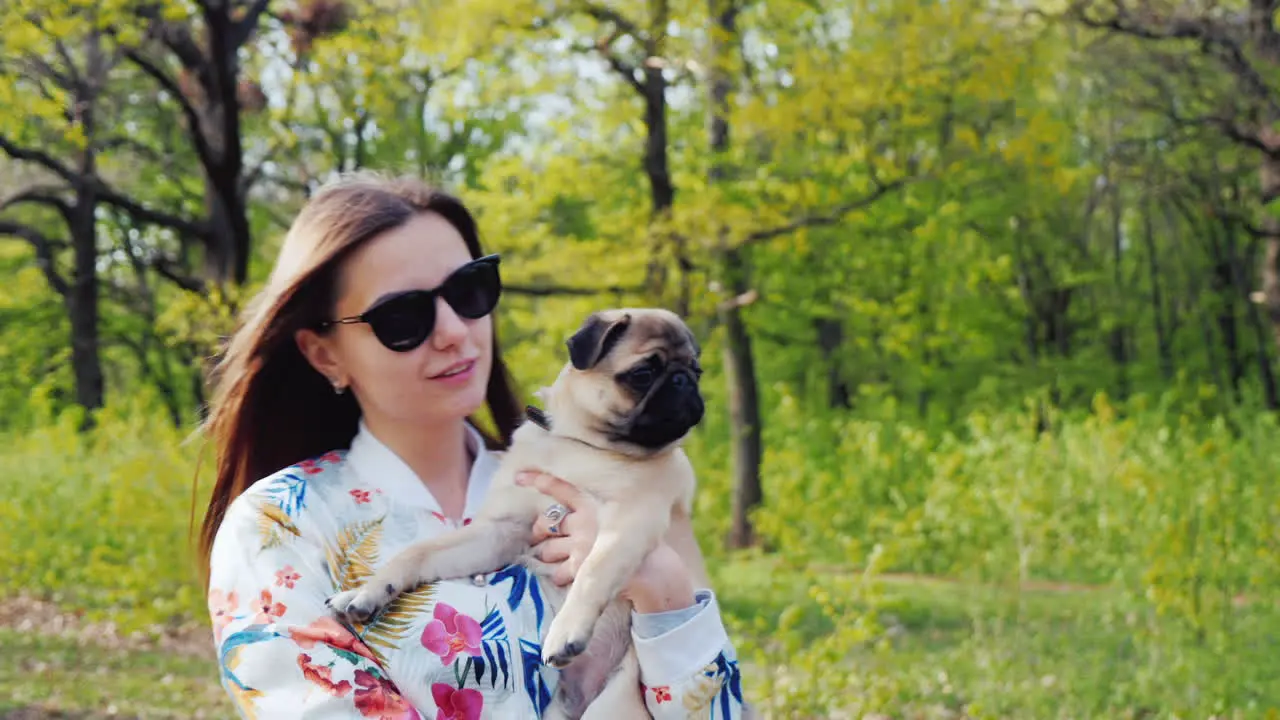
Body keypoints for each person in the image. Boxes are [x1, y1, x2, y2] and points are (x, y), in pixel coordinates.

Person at [197, 172, 745, 718]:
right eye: (403, 318)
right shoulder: (279, 526)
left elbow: (719, 710)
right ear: (325, 355)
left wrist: (664, 592)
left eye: (469, 291)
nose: (453, 330)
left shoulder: (619, 485)